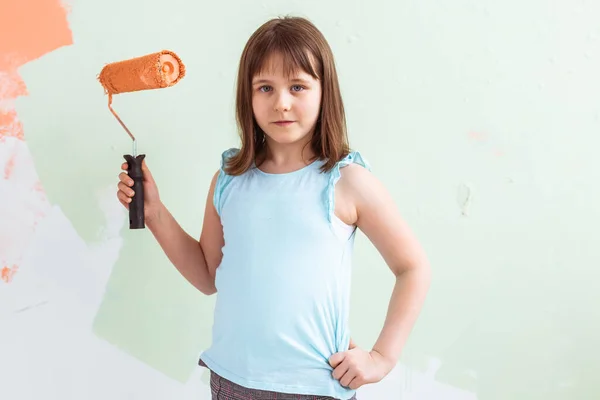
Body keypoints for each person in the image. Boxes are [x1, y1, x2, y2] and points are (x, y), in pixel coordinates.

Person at [116, 15, 431, 400]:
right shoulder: (229, 179)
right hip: (231, 382)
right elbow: (206, 275)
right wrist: (155, 213)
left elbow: (412, 267)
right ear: (247, 97)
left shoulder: (346, 182)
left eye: (297, 86)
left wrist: (381, 357)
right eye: (265, 87)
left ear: (323, 91)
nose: (281, 102)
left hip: (313, 387)